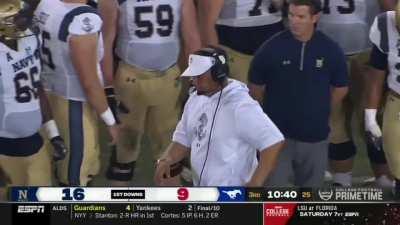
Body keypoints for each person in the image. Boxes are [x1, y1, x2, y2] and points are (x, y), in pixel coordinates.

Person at [98, 0, 201, 186]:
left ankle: (169, 207)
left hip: (165, 79)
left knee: (169, 151)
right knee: (125, 149)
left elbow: (192, 38)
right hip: (133, 78)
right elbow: (105, 41)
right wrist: (108, 89)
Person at [249, 0, 349, 187]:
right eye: (291, 16)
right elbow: (256, 87)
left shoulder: (330, 49)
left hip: (315, 136)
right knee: (275, 195)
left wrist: (321, 110)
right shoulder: (271, 48)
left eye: (301, 17)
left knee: (310, 197)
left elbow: (341, 87)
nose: (294, 21)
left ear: (315, 18)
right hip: (278, 138)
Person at [154, 46, 284, 186]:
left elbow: (273, 142)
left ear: (218, 74)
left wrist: (255, 184)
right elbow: (183, 137)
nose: (193, 80)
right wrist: (167, 159)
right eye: (193, 76)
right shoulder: (195, 99)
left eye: (199, 76)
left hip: (232, 196)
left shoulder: (241, 106)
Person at [34, 0, 119, 186]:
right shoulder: (82, 19)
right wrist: (110, 121)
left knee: (54, 162)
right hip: (73, 103)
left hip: (45, 98)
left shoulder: (46, 4)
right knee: (75, 177)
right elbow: (89, 82)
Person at [318, 0, 393, 187]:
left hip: (335, 49)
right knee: (369, 118)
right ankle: (382, 179)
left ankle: (343, 179)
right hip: (363, 47)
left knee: (337, 118)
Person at [0, 0, 67, 188]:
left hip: (35, 143)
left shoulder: (30, 38)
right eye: (19, 17)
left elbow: (37, 87)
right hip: (4, 149)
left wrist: (53, 134)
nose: (26, 21)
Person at [197, 0, 285, 84]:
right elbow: (207, 25)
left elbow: (285, 7)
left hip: (275, 48)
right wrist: (216, 65)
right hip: (235, 50)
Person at [367, 1, 400, 198]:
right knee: (396, 162)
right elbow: (376, 76)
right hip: (397, 101)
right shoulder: (385, 25)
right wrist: (370, 117)